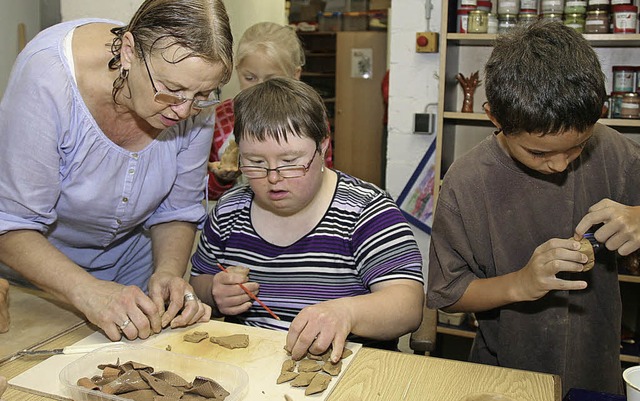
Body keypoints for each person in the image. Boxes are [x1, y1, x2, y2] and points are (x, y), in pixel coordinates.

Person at [427, 20, 640, 395]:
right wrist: (520, 283)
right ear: (495, 117)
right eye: (539, 152)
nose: (560, 165)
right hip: (504, 375)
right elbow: (451, 294)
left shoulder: (615, 152)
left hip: (598, 370)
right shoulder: (467, 182)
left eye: (577, 147)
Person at [0, 0, 234, 342]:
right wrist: (88, 292)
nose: (185, 111)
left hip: (131, 270)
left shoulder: (190, 90)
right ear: (128, 52)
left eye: (202, 95)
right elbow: (11, 225)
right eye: (172, 91)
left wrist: (167, 272)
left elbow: (177, 208)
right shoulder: (49, 78)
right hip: (41, 279)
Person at [190, 77, 424, 363]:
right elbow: (197, 283)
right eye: (256, 162)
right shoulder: (229, 211)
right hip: (250, 366)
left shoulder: (367, 212)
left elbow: (408, 306)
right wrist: (214, 292)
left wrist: (347, 313)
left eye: (290, 162)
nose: (273, 178)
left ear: (323, 146)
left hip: (349, 372)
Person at [207, 21, 333, 199]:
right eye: (249, 77)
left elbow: (324, 176)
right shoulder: (219, 118)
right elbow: (205, 193)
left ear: (295, 75)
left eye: (271, 80)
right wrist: (220, 179)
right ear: (238, 71)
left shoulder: (311, 118)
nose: (259, 88)